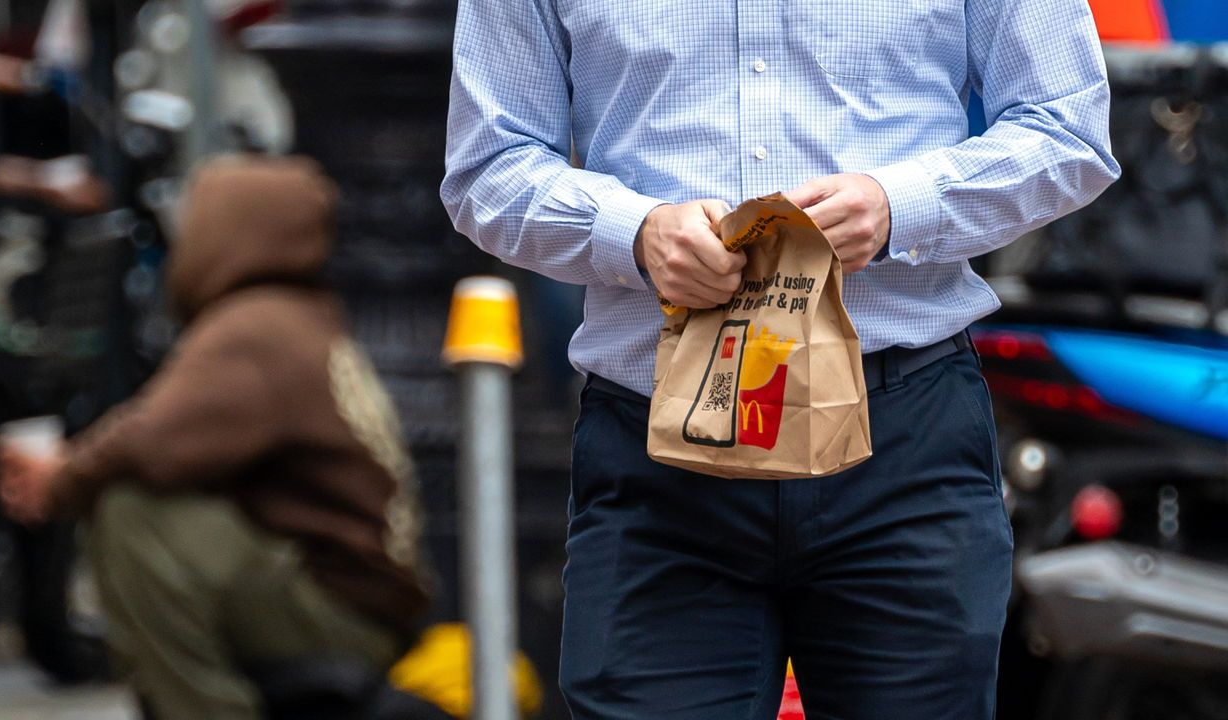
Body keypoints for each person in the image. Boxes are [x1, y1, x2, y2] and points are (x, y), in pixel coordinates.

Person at [441, 1, 1119, 718]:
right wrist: (633, 232)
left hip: (903, 442)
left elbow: (1067, 127)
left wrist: (900, 205)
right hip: (660, 457)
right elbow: (489, 162)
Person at [0, 155, 428, 720]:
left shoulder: (255, 326)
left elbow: (150, 440)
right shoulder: (301, 314)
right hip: (360, 603)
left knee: (132, 517)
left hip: (340, 613)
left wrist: (59, 479)